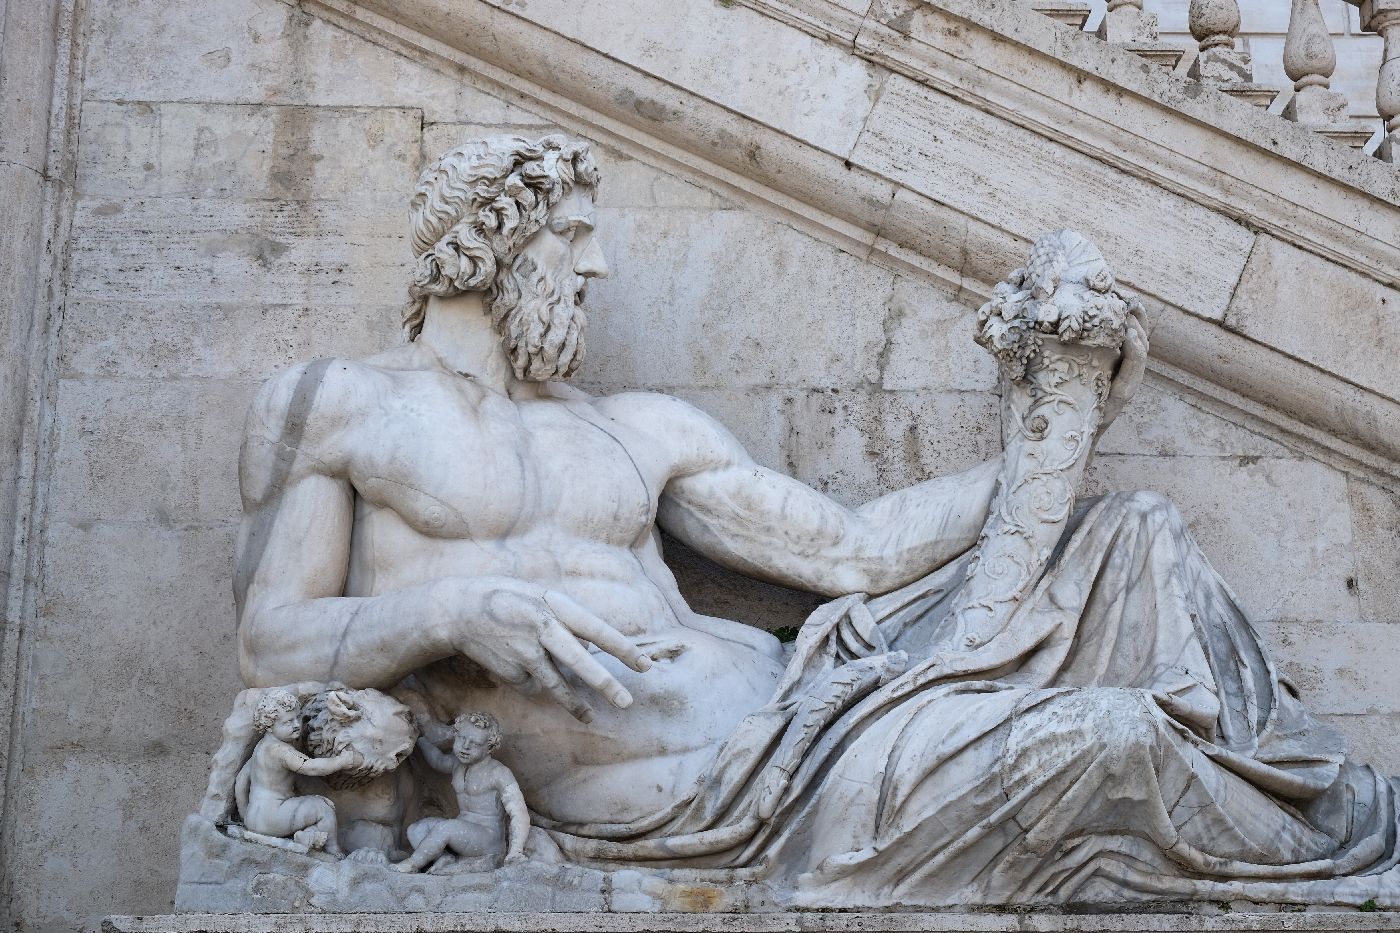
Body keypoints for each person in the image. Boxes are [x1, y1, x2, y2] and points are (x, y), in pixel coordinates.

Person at [228, 134, 1400, 906]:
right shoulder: (340, 407)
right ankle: (1343, 860)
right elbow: (270, 639)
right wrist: (452, 609)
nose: (597, 267)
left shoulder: (636, 427)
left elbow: (854, 550)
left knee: (1128, 529)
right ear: (496, 238)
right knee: (1111, 741)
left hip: (812, 709)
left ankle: (1328, 818)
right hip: (700, 794)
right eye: (575, 237)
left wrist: (1055, 423)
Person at [391, 712, 528, 872]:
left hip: (487, 838)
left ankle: (413, 864)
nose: (465, 746)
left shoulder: (498, 773)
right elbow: (437, 760)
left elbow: (519, 813)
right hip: (463, 829)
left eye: (475, 744)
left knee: (446, 828)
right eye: (462, 738)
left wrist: (515, 851)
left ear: (489, 747)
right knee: (415, 830)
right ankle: (444, 858)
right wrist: (418, 738)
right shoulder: (458, 764)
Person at [235, 690, 358, 855]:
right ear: (270, 726)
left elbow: (241, 782)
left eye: (297, 718)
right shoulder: (281, 751)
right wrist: (341, 761)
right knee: (323, 808)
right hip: (273, 816)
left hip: (254, 818)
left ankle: (307, 836)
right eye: (287, 722)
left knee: (311, 803)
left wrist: (246, 816)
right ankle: (333, 851)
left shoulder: (260, 749)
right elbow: (311, 767)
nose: (296, 725)